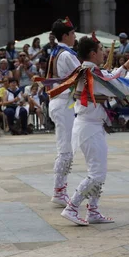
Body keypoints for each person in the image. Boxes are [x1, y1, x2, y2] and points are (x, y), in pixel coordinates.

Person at [48, 34, 129, 225]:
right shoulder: (92, 73)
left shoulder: (87, 70)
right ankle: (72, 207)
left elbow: (109, 77)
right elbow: (123, 90)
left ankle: (94, 210)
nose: (104, 53)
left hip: (90, 126)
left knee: (99, 171)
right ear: (92, 53)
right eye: (100, 50)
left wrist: (124, 68)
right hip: (89, 127)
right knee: (97, 172)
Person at [44, 17, 81, 206]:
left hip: (61, 102)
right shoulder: (66, 54)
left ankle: (60, 189)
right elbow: (84, 75)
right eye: (73, 33)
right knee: (65, 149)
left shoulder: (58, 52)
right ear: (65, 35)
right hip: (62, 101)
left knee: (66, 148)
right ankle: (59, 191)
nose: (75, 36)